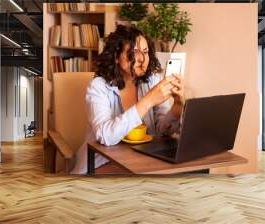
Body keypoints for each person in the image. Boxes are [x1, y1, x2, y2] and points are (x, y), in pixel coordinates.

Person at [71, 25, 185, 174]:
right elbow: (106, 136)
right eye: (134, 52)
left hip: (142, 160)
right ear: (116, 56)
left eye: (145, 52)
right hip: (101, 162)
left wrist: (177, 107)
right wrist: (148, 101)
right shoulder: (98, 87)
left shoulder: (151, 81)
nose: (141, 59)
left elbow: (161, 130)